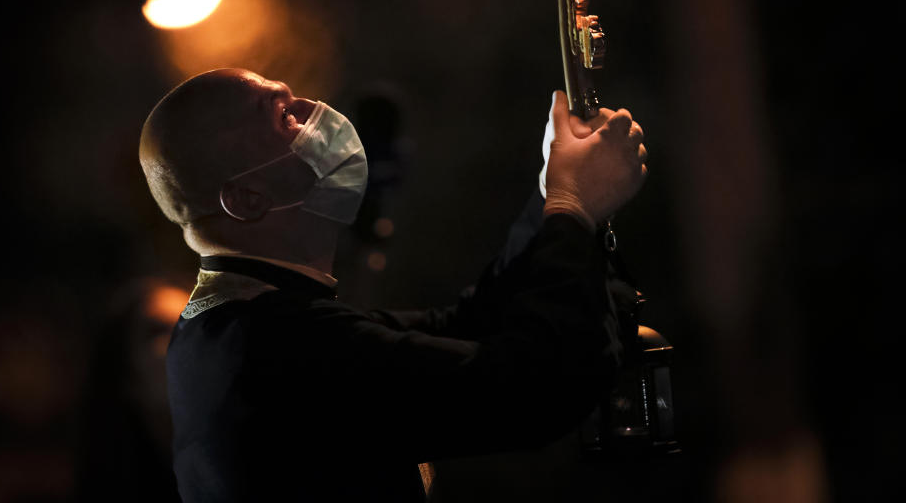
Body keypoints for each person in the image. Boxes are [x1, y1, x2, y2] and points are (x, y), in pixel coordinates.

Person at [138, 67, 648, 502]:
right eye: (286, 115)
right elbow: (532, 390)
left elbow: (466, 326)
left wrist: (550, 195)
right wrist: (573, 209)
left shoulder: (245, 320)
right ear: (246, 199)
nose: (320, 114)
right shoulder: (275, 347)